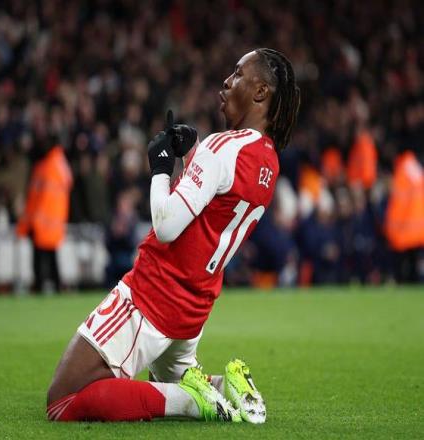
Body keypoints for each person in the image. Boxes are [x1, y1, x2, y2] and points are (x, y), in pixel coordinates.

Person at [46, 48, 300, 423]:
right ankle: (221, 388)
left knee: (63, 400)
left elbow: (166, 226)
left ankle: (189, 401)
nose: (227, 82)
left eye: (237, 74)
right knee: (163, 380)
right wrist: (192, 153)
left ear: (261, 91)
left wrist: (161, 169)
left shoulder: (222, 146)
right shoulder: (269, 161)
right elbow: (216, 209)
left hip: (154, 294)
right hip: (194, 306)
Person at [16, 143, 73, 293]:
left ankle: (40, 285)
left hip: (42, 221)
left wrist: (31, 220)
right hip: (52, 221)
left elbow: (38, 198)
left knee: (40, 256)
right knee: (51, 256)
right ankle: (55, 285)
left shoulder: (46, 167)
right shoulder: (59, 165)